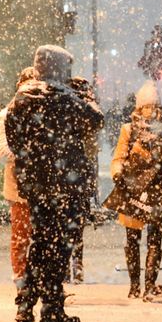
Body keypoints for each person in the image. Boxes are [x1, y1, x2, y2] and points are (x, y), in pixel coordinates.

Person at [6, 45, 104, 322]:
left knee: (41, 242)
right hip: (67, 184)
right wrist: (85, 94)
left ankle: (26, 304)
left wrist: (33, 163)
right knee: (60, 246)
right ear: (59, 68)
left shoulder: (22, 97)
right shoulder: (68, 98)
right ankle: (51, 305)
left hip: (38, 185)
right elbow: (96, 119)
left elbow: (13, 138)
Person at [104, 81, 162, 300]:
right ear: (139, 107)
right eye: (146, 106)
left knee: (154, 240)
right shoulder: (128, 129)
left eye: (153, 106)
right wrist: (119, 173)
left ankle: (149, 285)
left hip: (154, 190)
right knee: (133, 239)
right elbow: (118, 157)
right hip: (133, 189)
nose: (149, 110)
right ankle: (135, 285)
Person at [0, 67, 38, 286]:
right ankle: (21, 278)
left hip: (40, 184)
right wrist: (30, 157)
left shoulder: (41, 116)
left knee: (41, 237)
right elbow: (3, 153)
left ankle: (37, 278)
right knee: (21, 235)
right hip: (18, 184)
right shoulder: (4, 115)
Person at [67, 76, 100, 284]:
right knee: (77, 230)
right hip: (79, 179)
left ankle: (66, 271)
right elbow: (92, 150)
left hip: (67, 178)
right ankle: (77, 269)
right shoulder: (87, 114)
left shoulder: (63, 108)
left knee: (64, 230)